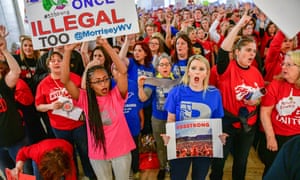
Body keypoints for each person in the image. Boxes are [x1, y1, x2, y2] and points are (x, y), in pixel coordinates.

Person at [60, 37, 136, 180]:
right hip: (97, 152)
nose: (104, 84)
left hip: (121, 150)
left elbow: (123, 71)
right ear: (90, 84)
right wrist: (67, 51)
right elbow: (65, 80)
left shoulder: (116, 95)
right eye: (98, 81)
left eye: (105, 79)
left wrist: (106, 45)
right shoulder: (85, 99)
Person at [209, 12, 265, 180]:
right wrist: (240, 24)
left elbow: (261, 93)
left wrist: (256, 101)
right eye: (248, 50)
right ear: (237, 51)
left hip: (248, 126)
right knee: (219, 162)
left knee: (241, 162)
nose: (252, 54)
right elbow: (224, 49)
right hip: (227, 124)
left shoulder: (256, 72)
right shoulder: (227, 69)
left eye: (254, 51)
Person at [34, 51, 95, 179]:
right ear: (48, 65)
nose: (56, 62)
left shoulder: (74, 77)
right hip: (59, 128)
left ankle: (91, 175)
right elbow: (38, 106)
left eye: (59, 60)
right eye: (53, 60)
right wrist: (51, 106)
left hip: (79, 124)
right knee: (67, 155)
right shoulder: (43, 84)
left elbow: (85, 95)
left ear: (64, 63)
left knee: (85, 152)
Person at [163, 54, 224, 180]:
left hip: (204, 145)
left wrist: (220, 136)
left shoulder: (215, 94)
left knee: (200, 177)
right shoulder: (176, 92)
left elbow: (217, 121)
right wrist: (168, 136)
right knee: (178, 177)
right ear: (188, 71)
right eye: (194, 68)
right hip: (180, 143)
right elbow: (171, 119)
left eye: (201, 69)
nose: (197, 72)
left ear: (207, 73)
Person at [138, 54, 180, 180]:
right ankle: (162, 167)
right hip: (158, 119)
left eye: (167, 64)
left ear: (171, 66)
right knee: (161, 146)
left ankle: (173, 166)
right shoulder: (154, 82)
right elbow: (143, 98)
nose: (165, 67)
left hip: (175, 119)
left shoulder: (177, 81)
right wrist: (140, 86)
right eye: (162, 64)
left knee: (174, 144)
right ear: (157, 68)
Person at [258, 50, 300, 176]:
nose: (284, 67)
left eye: (289, 64)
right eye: (283, 64)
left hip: (297, 139)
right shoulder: (276, 84)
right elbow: (265, 112)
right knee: (273, 171)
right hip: (277, 136)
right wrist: (270, 138)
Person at [0, 25, 31, 177]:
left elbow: (16, 72)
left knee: (25, 173)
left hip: (15, 140)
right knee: (9, 176)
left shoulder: (3, 86)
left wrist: (5, 50)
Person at [11, 139, 76, 180]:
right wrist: (18, 166)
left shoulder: (68, 154)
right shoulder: (37, 152)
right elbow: (22, 152)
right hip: (41, 157)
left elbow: (71, 176)